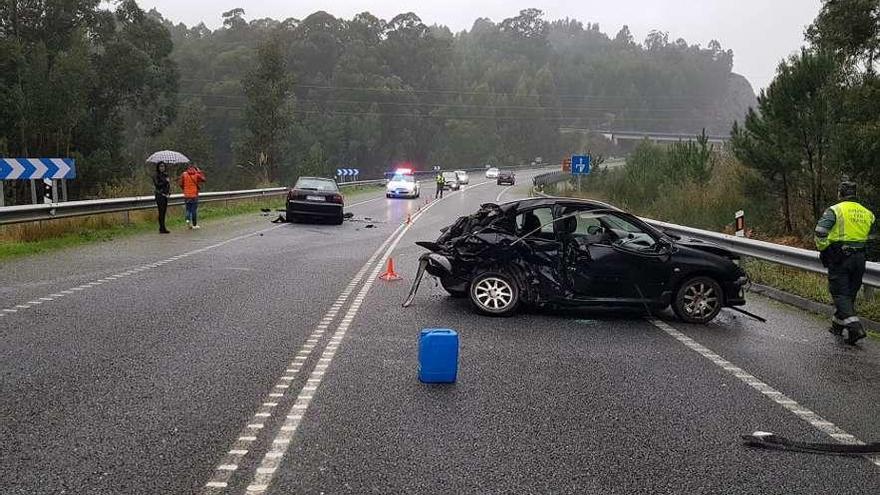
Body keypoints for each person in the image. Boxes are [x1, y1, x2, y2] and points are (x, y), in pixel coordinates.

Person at [815, 180, 876, 345]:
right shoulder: (867, 213)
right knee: (849, 294)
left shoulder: (835, 210)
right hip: (860, 258)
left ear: (840, 193)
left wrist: (825, 249)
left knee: (840, 294)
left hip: (840, 257)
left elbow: (820, 232)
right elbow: (871, 236)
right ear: (855, 194)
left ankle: (855, 328)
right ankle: (837, 326)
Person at [179, 164, 206, 229]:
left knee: (188, 209)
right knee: (194, 210)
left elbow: (181, 184)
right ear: (194, 168)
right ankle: (194, 224)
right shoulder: (197, 174)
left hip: (186, 195)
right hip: (194, 195)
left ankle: (188, 221)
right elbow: (204, 179)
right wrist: (199, 172)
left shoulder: (184, 174)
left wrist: (185, 189)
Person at [153, 162, 171, 234]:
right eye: (160, 166)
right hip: (159, 194)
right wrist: (165, 181)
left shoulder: (166, 175)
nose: (162, 168)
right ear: (158, 167)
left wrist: (168, 192)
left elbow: (168, 185)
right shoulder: (156, 175)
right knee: (161, 211)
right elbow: (157, 185)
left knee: (164, 212)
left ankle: (163, 227)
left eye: (163, 166)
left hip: (165, 195)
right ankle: (162, 228)